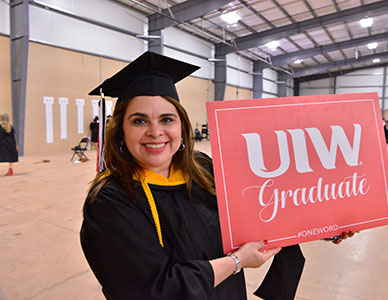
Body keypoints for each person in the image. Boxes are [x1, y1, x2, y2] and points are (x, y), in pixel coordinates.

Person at [80, 51, 355, 300]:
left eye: (167, 119)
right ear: (121, 131)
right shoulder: (110, 201)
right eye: (139, 120)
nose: (155, 132)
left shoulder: (202, 168)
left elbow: (256, 213)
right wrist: (237, 262)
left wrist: (322, 224)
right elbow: (152, 291)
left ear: (182, 126)